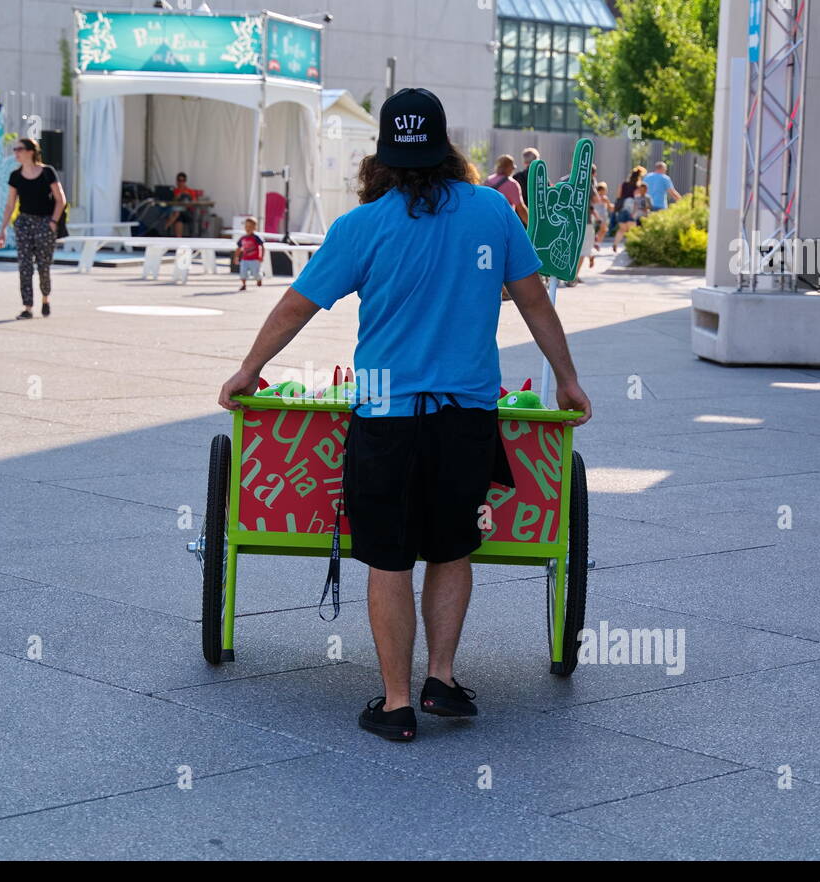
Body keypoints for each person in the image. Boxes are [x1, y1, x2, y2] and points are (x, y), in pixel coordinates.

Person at [217, 87, 591, 743]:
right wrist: (568, 379)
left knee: (389, 558)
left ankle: (395, 705)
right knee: (451, 548)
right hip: (466, 415)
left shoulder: (361, 226)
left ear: (383, 159)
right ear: (447, 150)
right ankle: (441, 678)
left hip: (387, 416)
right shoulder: (493, 213)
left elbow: (295, 307)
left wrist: (248, 370)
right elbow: (535, 303)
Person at [0, 137, 65, 320]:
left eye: (19, 149)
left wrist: (53, 222)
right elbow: (10, 205)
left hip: (44, 222)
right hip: (24, 222)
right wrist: (3, 228)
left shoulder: (47, 172)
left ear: (31, 151)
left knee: (44, 265)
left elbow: (60, 199)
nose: (16, 153)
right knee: (25, 266)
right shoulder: (16, 176)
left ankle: (45, 298)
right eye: (15, 150)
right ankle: (27, 306)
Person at [484, 154, 528, 225]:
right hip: (505, 222)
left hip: (488, 221)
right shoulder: (512, 184)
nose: (513, 170)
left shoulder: (488, 181)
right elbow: (521, 209)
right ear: (508, 168)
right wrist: (530, 224)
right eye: (512, 167)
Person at [234, 216, 264, 291]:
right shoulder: (243, 238)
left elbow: (262, 246)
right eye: (246, 226)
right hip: (244, 259)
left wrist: (261, 256)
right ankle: (244, 284)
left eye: (250, 227)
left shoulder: (256, 237)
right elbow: (238, 248)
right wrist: (236, 257)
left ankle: (259, 279)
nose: (248, 228)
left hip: (254, 259)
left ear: (254, 228)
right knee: (243, 272)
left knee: (255, 273)